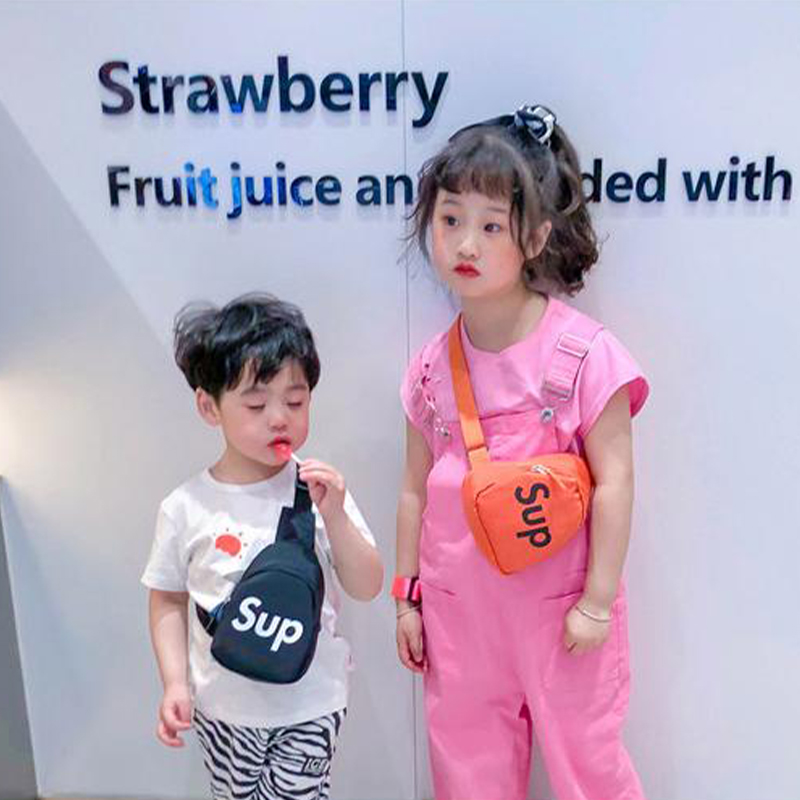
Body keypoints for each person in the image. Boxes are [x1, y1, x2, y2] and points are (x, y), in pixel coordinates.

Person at [393, 105, 650, 800]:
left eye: (490, 226)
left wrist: (597, 602)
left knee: (588, 768)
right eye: (450, 219)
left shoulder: (585, 354)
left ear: (534, 237)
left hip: (563, 619)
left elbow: (616, 482)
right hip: (460, 618)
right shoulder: (430, 369)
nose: (465, 244)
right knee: (467, 770)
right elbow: (414, 488)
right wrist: (407, 599)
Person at [142, 293, 383, 800]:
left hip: (311, 702)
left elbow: (366, 585)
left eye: (295, 402)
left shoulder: (319, 491)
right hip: (222, 707)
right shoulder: (186, 507)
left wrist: (336, 515)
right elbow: (167, 598)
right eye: (256, 404)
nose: (279, 418)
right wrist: (175, 682)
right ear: (209, 406)